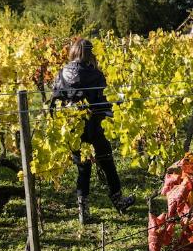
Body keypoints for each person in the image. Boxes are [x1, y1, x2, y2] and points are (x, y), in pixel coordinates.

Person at [52, 38, 135, 224]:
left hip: (73, 128)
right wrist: (117, 105)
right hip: (95, 126)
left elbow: (56, 98)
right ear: (89, 53)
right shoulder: (96, 75)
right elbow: (104, 101)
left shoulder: (62, 73)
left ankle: (84, 213)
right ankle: (119, 201)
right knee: (107, 163)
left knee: (83, 169)